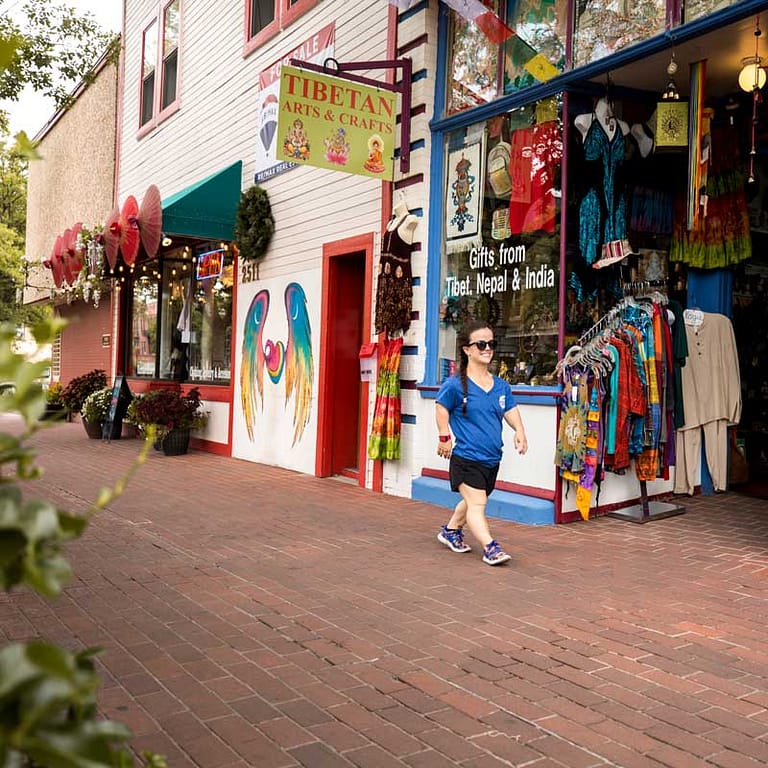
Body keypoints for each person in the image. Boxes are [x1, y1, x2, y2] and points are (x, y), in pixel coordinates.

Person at [435, 320, 529, 566]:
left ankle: (451, 530)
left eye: (491, 344)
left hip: (491, 459)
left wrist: (519, 430)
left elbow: (510, 409)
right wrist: (444, 436)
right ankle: (490, 548)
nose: (488, 348)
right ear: (467, 349)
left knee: (472, 501)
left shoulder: (500, 385)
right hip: (466, 458)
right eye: (481, 344)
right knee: (478, 503)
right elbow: (441, 408)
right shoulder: (455, 385)